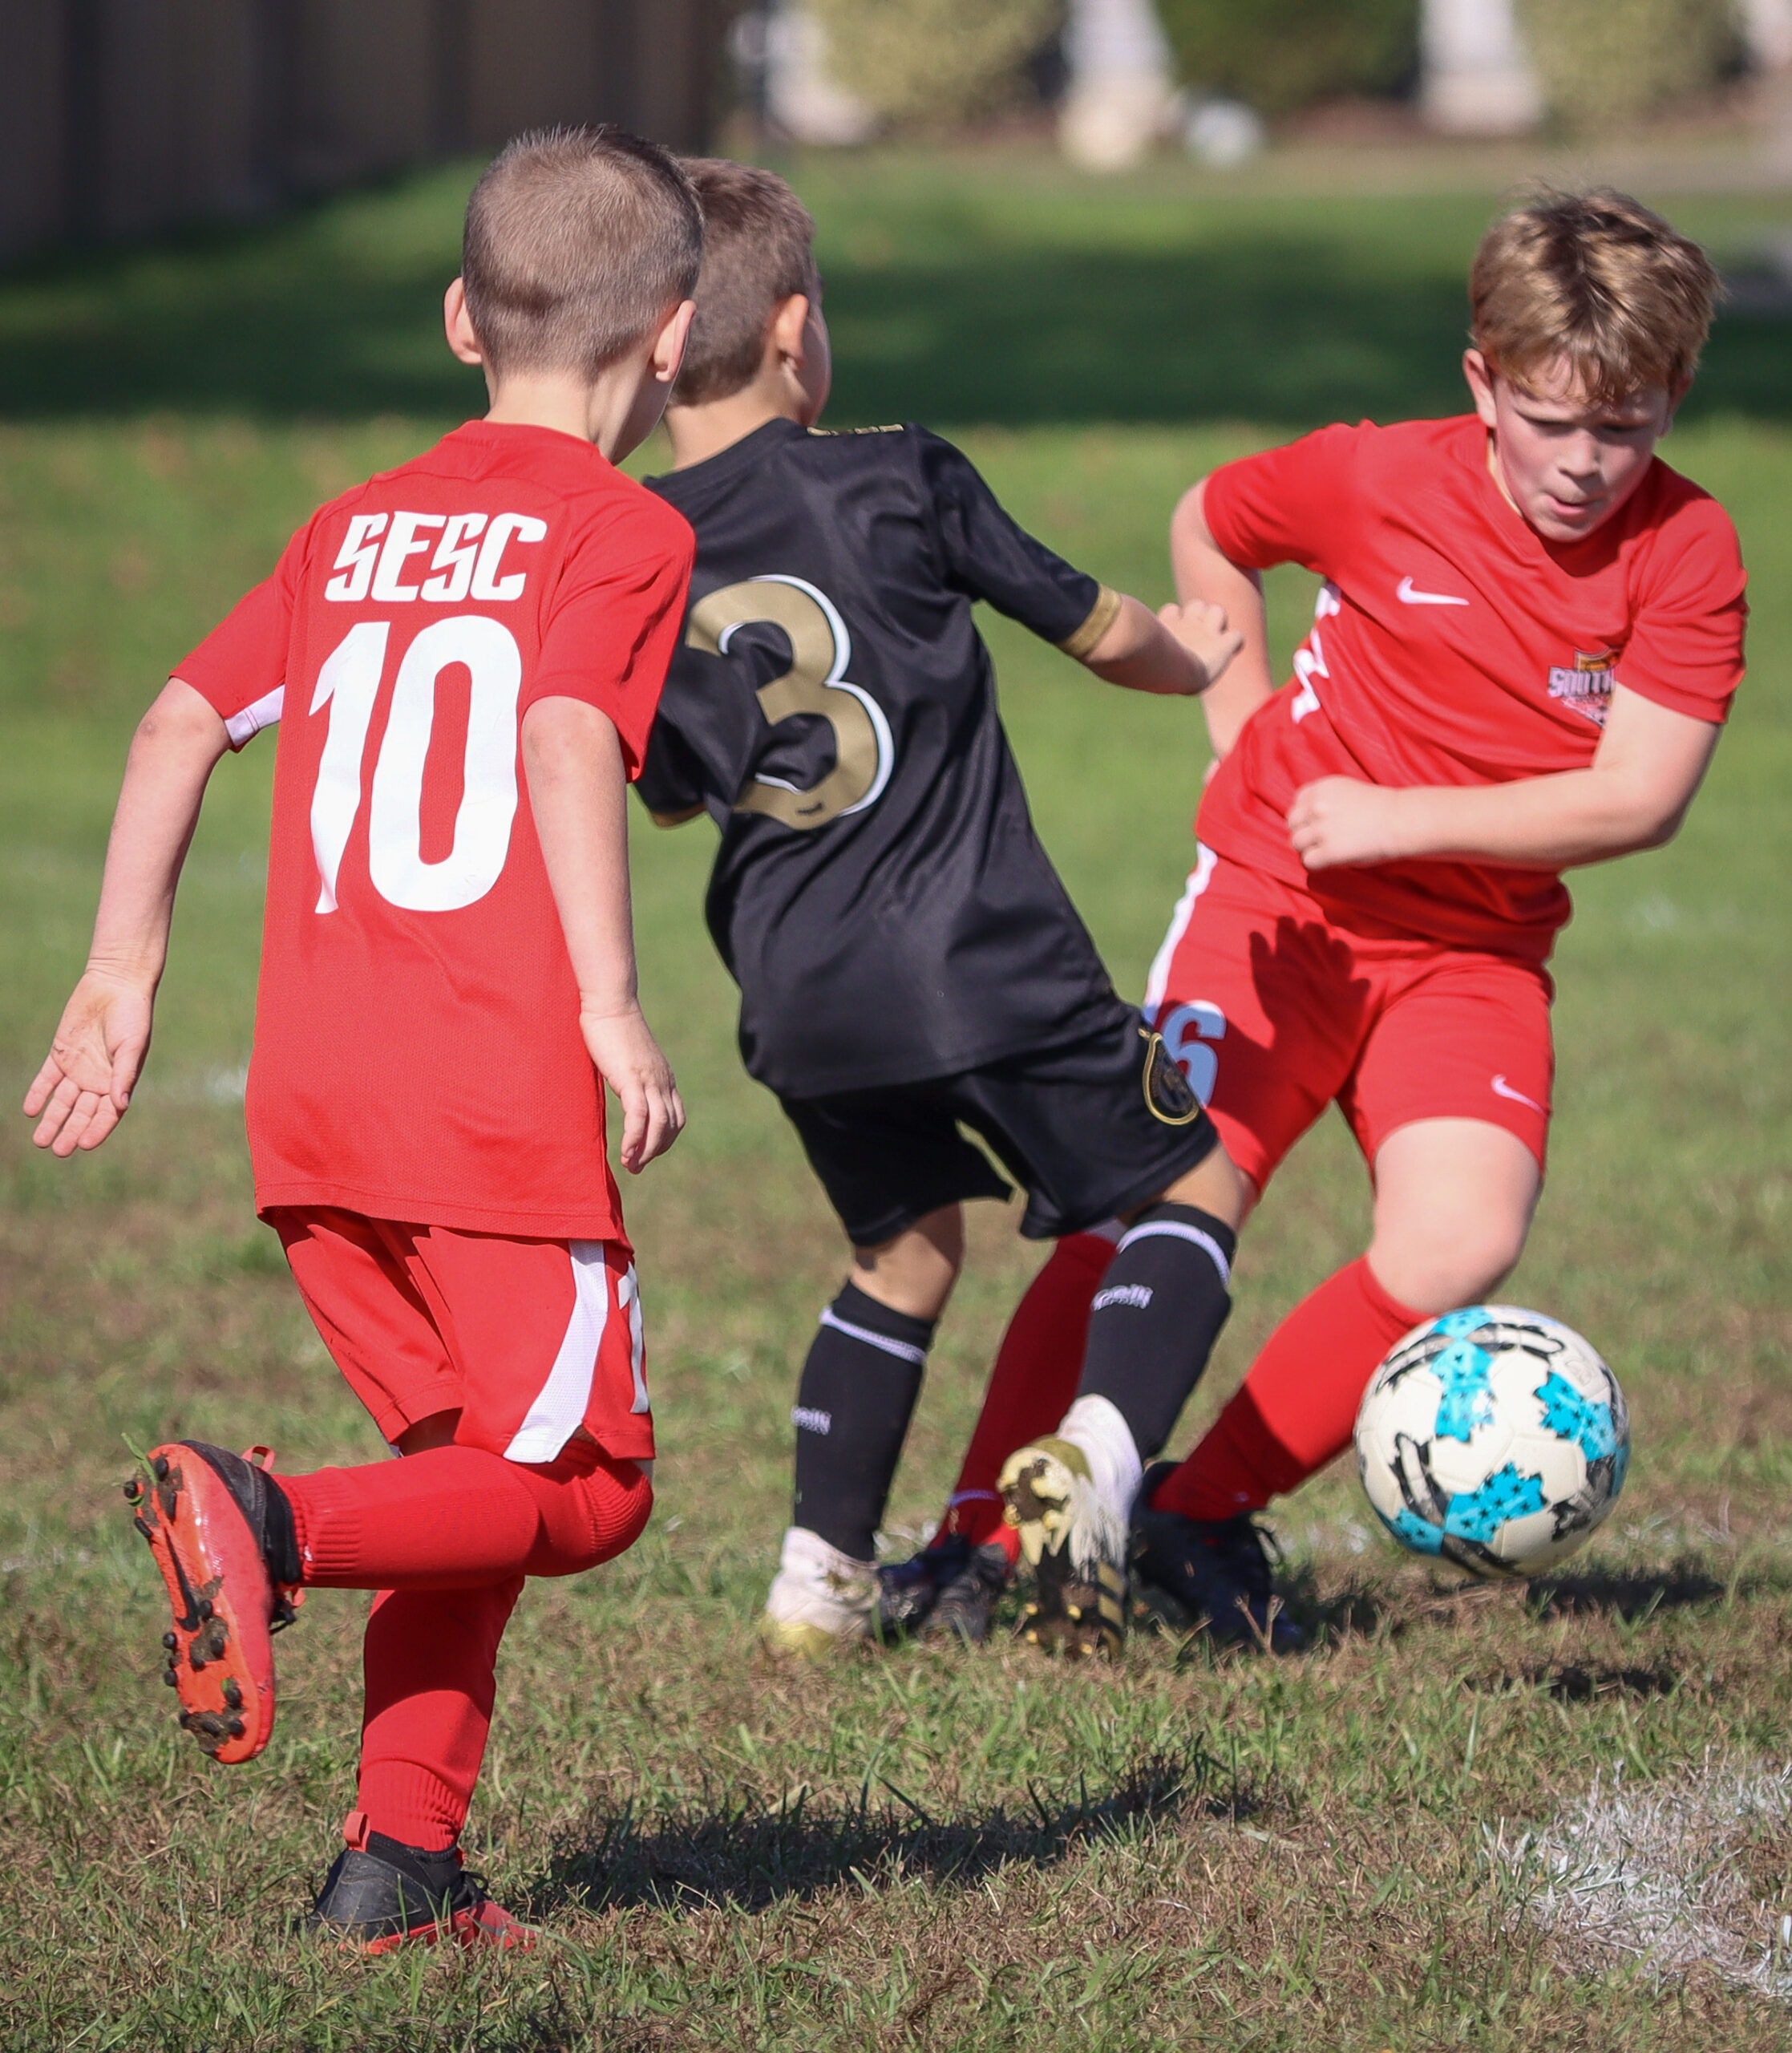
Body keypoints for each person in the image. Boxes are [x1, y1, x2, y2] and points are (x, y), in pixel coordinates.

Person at [899, 188, 1748, 1650]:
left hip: (1473, 951)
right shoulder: (1376, 478)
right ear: (1482, 381)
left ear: (1673, 399)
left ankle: (1194, 1510)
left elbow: (1640, 797)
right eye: (1552, 421)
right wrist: (1240, 719)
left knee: (1461, 1240)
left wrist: (1400, 820)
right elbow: (1211, 520)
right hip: (1276, 907)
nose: (1585, 464)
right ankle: (977, 1540)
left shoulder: (1688, 549)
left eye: (1627, 426)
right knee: (1149, 1214)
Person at [23, 128, 702, 1950]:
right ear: (675, 330)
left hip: (317, 1107)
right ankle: (266, 1521)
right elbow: (565, 734)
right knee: (588, 1489)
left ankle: (395, 1868)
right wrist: (609, 1004)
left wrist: (121, 972)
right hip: (488, 1101)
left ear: (463, 318)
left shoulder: (348, 527)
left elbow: (177, 721)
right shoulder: (628, 529)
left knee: (470, 1479)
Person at [637, 159, 1247, 1661]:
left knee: (902, 1256)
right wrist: (1196, 652)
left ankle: (819, 1577)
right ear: (795, 331)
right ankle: (1097, 1461)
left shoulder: (633, 551)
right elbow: (1097, 630)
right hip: (979, 960)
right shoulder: (901, 472)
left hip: (797, 991)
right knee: (1194, 1184)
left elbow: (672, 793)